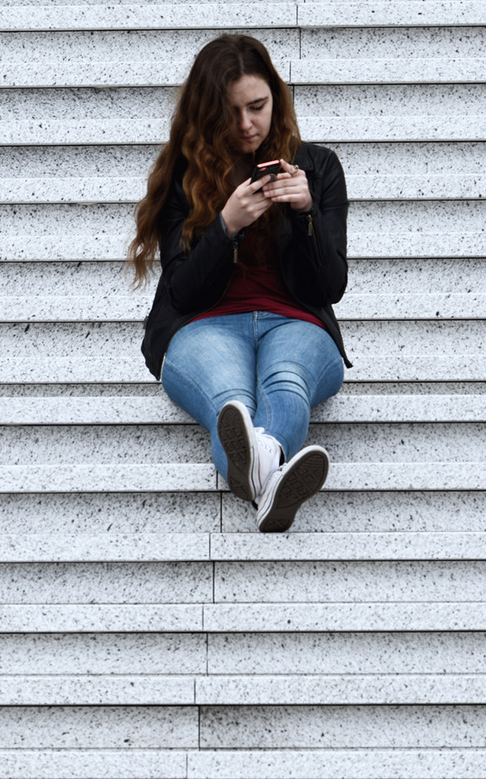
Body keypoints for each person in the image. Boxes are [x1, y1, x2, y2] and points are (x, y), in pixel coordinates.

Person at [132, 34, 351, 532]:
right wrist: (225, 226)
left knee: (287, 380)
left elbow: (331, 286)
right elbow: (183, 290)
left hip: (298, 321)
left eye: (258, 107)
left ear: (277, 97)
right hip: (203, 323)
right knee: (231, 400)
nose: (247, 124)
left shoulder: (318, 168)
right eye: (232, 112)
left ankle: (258, 464)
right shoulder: (183, 176)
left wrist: (306, 213)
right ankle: (273, 478)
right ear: (208, 112)